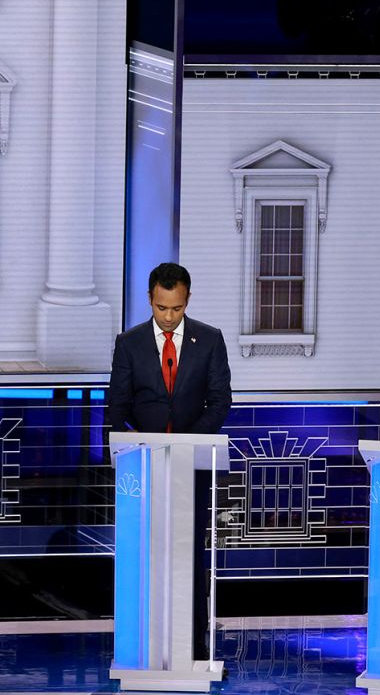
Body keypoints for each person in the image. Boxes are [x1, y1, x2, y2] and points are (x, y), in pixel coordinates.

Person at [106, 262, 232, 662]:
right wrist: (135, 445)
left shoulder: (210, 340)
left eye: (175, 309)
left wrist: (187, 442)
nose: (168, 317)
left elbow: (220, 400)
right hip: (142, 470)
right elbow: (117, 405)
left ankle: (194, 644)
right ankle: (140, 641)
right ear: (150, 300)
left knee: (191, 555)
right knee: (143, 553)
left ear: (187, 299)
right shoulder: (129, 343)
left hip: (190, 467)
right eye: (162, 308)